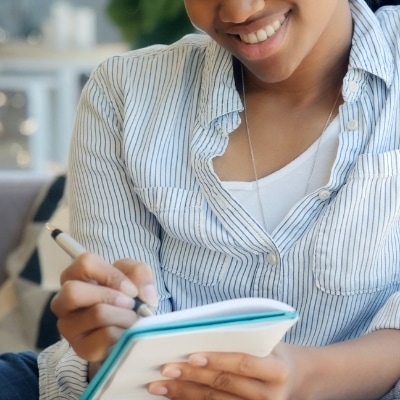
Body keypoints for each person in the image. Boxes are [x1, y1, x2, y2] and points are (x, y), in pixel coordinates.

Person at [31, 0, 400, 398]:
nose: (240, 11)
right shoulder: (123, 94)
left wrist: (307, 378)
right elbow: (123, 352)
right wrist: (106, 342)